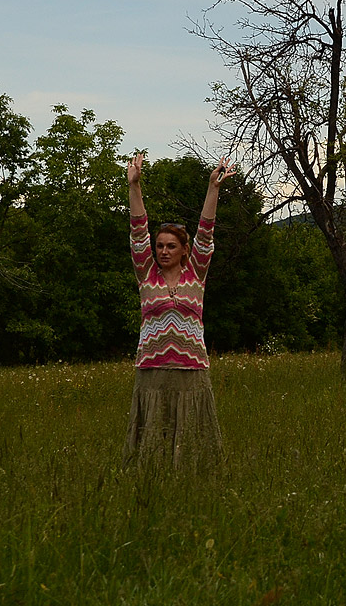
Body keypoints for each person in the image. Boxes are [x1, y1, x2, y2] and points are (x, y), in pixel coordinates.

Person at [121, 151, 237, 471]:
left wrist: (213, 188)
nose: (163, 251)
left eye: (171, 246)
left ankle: (193, 482)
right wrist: (134, 186)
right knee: (152, 447)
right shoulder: (147, 274)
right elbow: (137, 231)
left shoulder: (196, 273)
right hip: (152, 373)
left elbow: (206, 232)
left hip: (192, 373)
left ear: (184, 250)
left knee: (191, 448)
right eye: (160, 246)